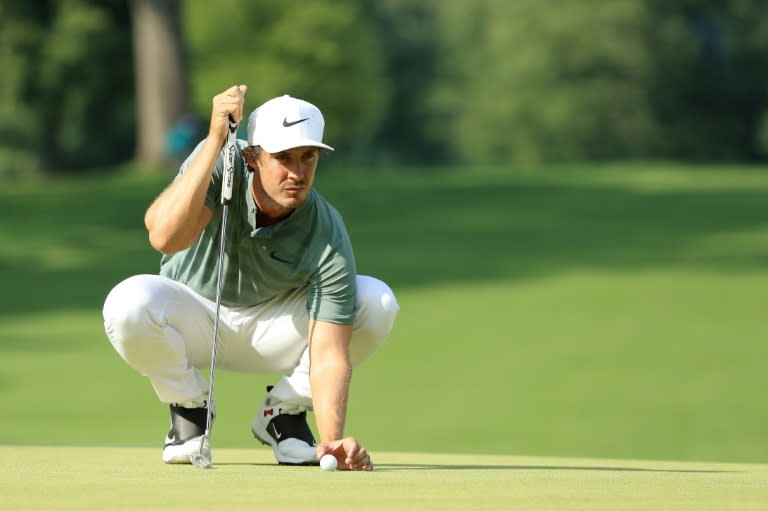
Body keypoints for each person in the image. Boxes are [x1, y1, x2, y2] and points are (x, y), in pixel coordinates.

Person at [102, 85, 399, 471]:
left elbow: (328, 351)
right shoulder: (220, 164)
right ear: (251, 156)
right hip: (193, 318)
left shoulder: (325, 229)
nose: (297, 172)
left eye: (308, 157)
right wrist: (213, 142)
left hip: (272, 330)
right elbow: (164, 236)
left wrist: (331, 443)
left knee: (376, 302)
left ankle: (285, 413)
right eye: (283, 157)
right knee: (128, 303)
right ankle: (191, 411)